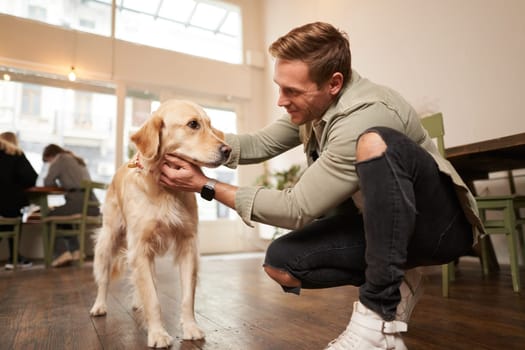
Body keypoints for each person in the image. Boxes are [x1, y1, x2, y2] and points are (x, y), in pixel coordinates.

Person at [159, 22, 483, 349]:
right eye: (280, 87)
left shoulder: (368, 112)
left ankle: (378, 319)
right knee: (282, 263)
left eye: (292, 92)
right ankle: (399, 279)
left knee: (375, 141)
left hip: (440, 229)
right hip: (379, 228)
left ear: (334, 83)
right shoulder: (314, 106)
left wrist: (205, 185)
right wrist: (194, 142)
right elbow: (258, 143)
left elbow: (296, 208)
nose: (281, 101)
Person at [42, 144, 99, 267]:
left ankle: (61, 253)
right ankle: (76, 250)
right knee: (63, 216)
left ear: (51, 156)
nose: (49, 163)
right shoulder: (76, 159)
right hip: (93, 205)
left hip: (78, 202)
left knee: (50, 214)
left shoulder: (60, 159)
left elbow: (47, 182)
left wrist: (58, 185)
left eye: (48, 161)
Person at [0, 131, 38, 269]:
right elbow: (32, 179)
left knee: (5, 221)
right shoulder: (16, 154)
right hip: (10, 206)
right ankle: (14, 258)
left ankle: (15, 257)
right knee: (14, 215)